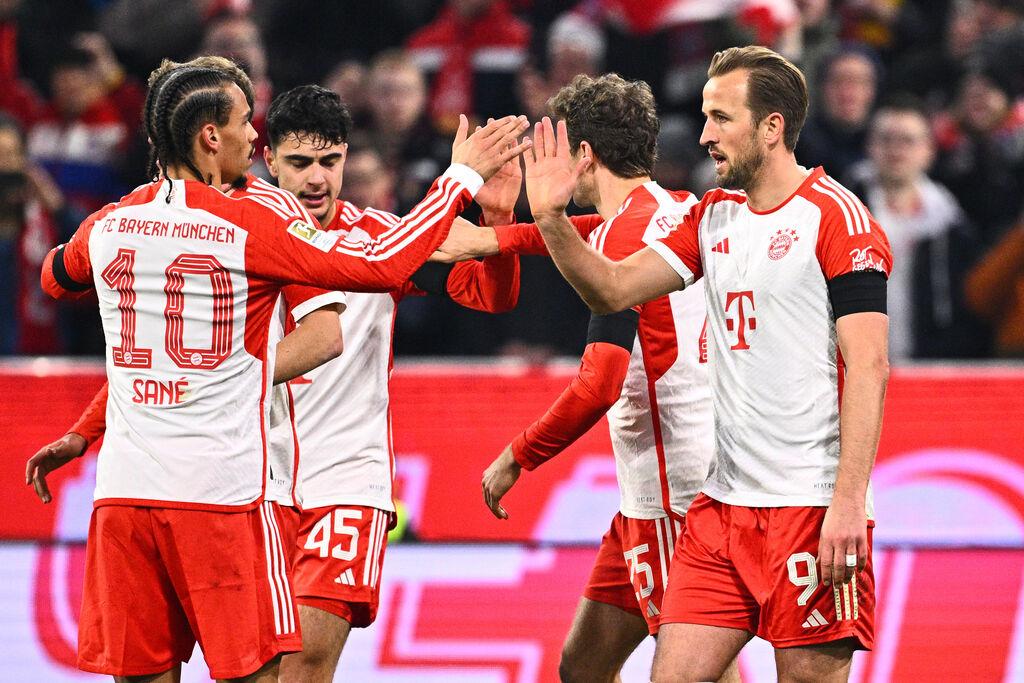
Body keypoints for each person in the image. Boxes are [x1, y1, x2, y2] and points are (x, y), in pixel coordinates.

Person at [27, 59, 529, 681]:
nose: (316, 180)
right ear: (267, 162)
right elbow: (175, 351)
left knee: (303, 664)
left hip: (341, 481)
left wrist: (502, 222)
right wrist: (96, 421)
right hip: (252, 487)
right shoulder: (249, 230)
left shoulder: (375, 233)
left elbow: (489, 295)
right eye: (298, 163)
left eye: (331, 162)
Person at [466, 46, 891, 681]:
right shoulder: (710, 215)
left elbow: (871, 365)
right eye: (705, 117)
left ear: (771, 126)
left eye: (721, 118)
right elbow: (611, 288)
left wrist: (849, 501)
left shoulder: (837, 218)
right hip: (718, 509)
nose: (704, 135)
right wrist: (550, 218)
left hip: (807, 505)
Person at [440, 73, 738, 683]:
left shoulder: (624, 235)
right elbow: (570, 237)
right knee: (583, 667)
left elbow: (600, 384)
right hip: (650, 498)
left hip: (673, 499)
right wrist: (497, 232)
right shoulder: (672, 208)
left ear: (583, 155)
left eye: (556, 148)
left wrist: (516, 457)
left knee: (693, 674)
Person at [845, 96, 988, 359]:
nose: (896, 150)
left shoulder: (951, 228)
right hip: (852, 368)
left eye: (908, 141)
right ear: (870, 146)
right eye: (886, 139)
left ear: (928, 151)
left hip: (927, 372)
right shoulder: (840, 216)